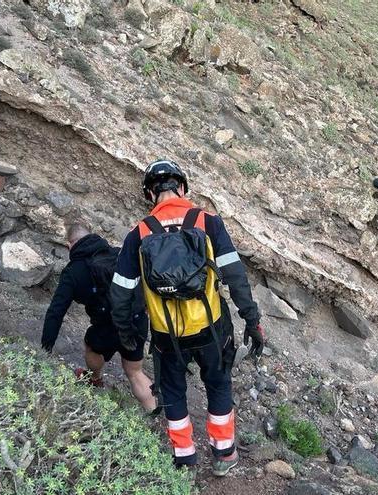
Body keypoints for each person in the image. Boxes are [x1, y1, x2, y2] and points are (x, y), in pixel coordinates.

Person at [110, 159, 264, 476]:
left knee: (173, 392)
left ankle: (184, 459)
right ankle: (224, 455)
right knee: (219, 385)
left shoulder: (138, 234)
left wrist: (126, 334)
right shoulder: (207, 222)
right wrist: (252, 319)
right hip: (210, 327)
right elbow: (235, 276)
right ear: (181, 187)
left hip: (167, 335)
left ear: (151, 193)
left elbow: (121, 293)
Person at [41, 223, 156, 412]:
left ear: (70, 246)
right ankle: (161, 420)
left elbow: (56, 311)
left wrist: (46, 348)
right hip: (136, 320)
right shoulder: (118, 253)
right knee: (135, 372)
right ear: (92, 237)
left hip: (107, 326)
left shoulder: (72, 271)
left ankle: (94, 378)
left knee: (90, 345)